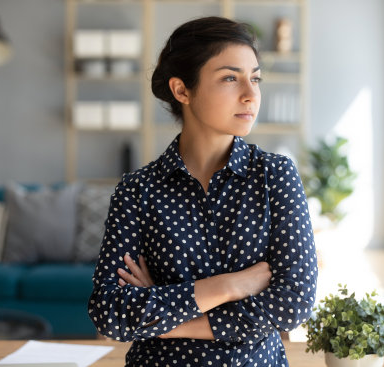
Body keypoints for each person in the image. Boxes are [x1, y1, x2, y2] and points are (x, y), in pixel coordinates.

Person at [88, 16, 318, 367]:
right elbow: (111, 312)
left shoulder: (276, 177)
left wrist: (164, 321)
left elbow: (293, 303)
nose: (250, 94)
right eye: (230, 78)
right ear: (182, 90)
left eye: (255, 78)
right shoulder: (137, 191)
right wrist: (231, 285)